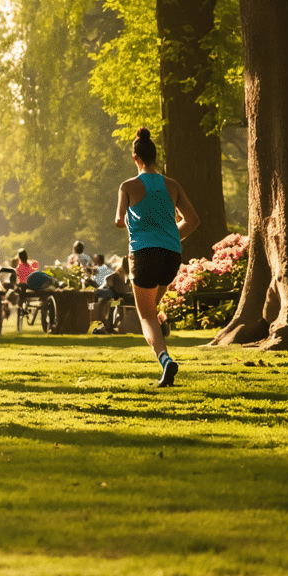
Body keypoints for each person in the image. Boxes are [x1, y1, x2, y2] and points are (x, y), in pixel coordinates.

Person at [116, 127, 199, 387]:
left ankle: (165, 360)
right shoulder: (172, 185)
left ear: (136, 159)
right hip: (171, 254)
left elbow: (119, 220)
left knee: (146, 316)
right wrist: (171, 236)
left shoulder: (128, 186)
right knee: (153, 308)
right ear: (154, 157)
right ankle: (162, 342)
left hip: (143, 253)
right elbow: (193, 220)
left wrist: (135, 222)